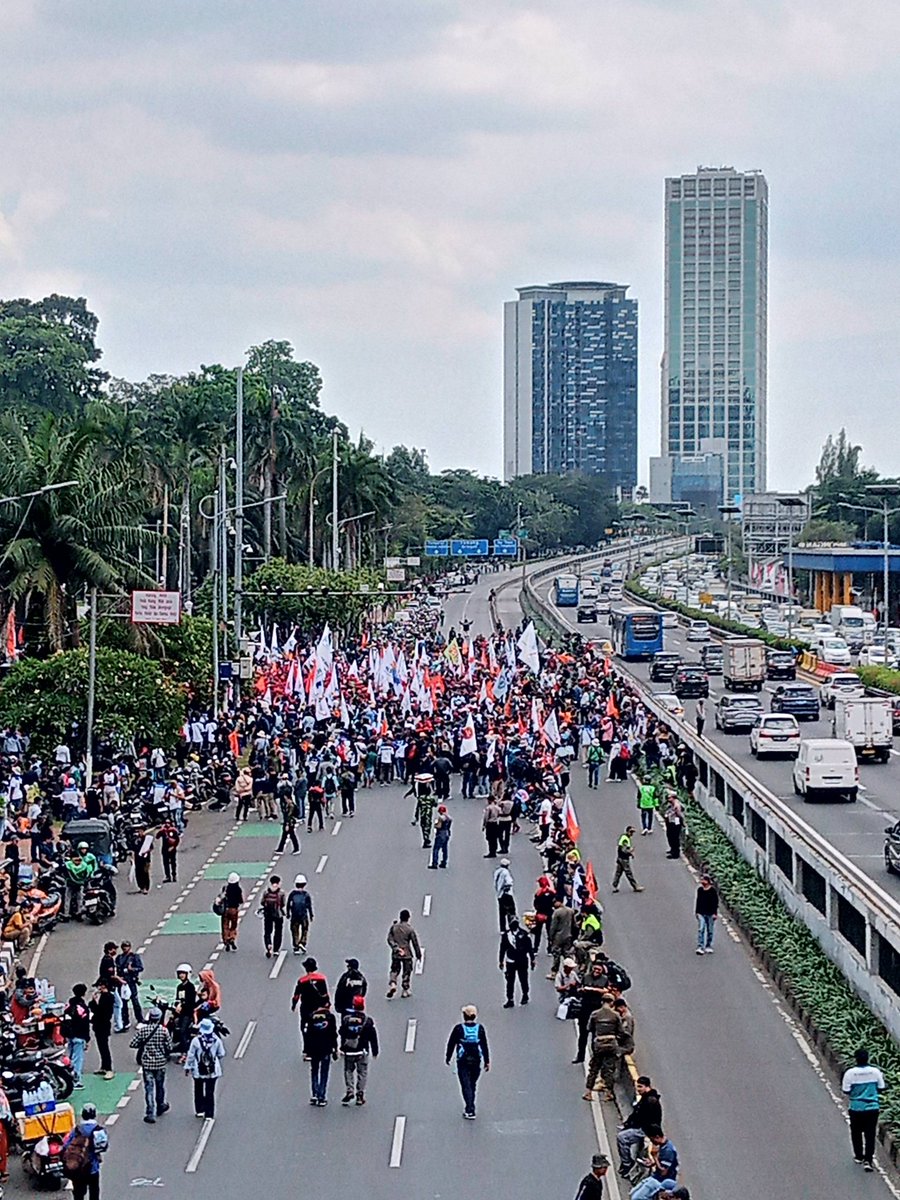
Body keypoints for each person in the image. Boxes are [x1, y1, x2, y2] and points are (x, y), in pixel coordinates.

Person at [841, 1047, 885, 1170]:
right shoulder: (875, 1072)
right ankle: (868, 1160)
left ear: (856, 1059)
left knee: (856, 1132)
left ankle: (859, 1156)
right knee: (870, 1134)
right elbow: (881, 1087)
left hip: (856, 1108)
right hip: (872, 1108)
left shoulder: (850, 1073)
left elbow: (846, 1090)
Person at [445, 1004, 490, 1119]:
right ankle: (470, 1106)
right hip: (476, 1060)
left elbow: (451, 1043)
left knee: (465, 1085)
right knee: (472, 1084)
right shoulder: (480, 1028)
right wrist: (487, 1061)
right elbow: (484, 1045)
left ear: (464, 1016)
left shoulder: (458, 1029)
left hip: (463, 1061)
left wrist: (448, 1057)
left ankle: (470, 1109)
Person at [130, 1007, 172, 1123]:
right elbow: (169, 1047)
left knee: (149, 1088)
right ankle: (160, 1105)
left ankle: (150, 1113)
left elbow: (133, 1044)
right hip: (160, 1063)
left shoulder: (143, 1031)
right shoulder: (163, 1031)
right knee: (160, 1086)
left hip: (147, 1064)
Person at [582, 991, 624, 1102]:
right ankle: (608, 1093)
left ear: (602, 1002)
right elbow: (621, 1031)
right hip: (611, 1044)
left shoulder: (595, 1014)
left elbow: (589, 1028)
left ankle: (588, 1093)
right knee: (608, 1069)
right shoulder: (616, 1015)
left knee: (594, 1068)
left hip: (599, 1044)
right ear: (612, 1002)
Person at [616, 1076, 663, 1176]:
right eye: (637, 1087)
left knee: (622, 1138)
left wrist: (654, 1140)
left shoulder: (651, 1102)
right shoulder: (645, 1098)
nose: (638, 1089)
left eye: (640, 1087)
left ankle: (627, 1163)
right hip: (641, 1127)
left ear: (647, 1087)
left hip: (645, 1130)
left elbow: (655, 1122)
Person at [62, 1102, 109, 1200]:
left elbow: (66, 1145)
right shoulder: (98, 1130)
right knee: (94, 1192)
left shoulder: (77, 1130)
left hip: (78, 1169)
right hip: (93, 1168)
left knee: (78, 1194)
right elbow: (103, 1146)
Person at [340, 995, 379, 1106]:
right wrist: (375, 1051)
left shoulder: (346, 1019)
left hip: (349, 1051)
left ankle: (350, 1090)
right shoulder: (368, 1021)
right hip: (362, 1051)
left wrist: (342, 1047)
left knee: (348, 1070)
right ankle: (360, 1094)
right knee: (362, 1072)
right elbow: (373, 1036)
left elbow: (342, 1033)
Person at [185, 1017, 226, 1118]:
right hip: (212, 1071)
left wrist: (187, 1067)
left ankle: (199, 1110)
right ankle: (209, 1113)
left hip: (198, 1070)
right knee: (210, 1092)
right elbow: (221, 1054)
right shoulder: (216, 1040)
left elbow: (191, 1055)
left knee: (198, 1089)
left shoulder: (195, 1041)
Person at [291, 958, 330, 1048]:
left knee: (304, 1027)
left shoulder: (302, 981)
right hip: (320, 1007)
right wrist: (327, 1004)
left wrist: (293, 1005)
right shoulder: (322, 979)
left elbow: (296, 996)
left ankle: (307, 1048)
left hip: (307, 1007)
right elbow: (325, 994)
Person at [305, 1003, 338, 1106]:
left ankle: (314, 1094)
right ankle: (321, 1096)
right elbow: (333, 1034)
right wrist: (335, 1048)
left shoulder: (311, 1017)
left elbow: (308, 1035)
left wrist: (307, 1050)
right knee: (324, 1073)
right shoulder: (330, 1018)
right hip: (326, 1048)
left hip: (314, 1049)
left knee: (314, 1070)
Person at [498, 916, 535, 1007]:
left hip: (522, 960)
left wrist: (532, 959)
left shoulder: (524, 934)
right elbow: (502, 948)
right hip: (510, 961)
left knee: (523, 979)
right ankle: (510, 999)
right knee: (510, 981)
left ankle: (525, 995)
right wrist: (501, 961)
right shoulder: (506, 935)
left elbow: (529, 948)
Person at [62, 983, 92, 1090]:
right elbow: (85, 1024)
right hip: (80, 1036)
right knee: (77, 1059)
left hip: (69, 1035)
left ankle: (66, 1077)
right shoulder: (83, 1008)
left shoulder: (69, 1005)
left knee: (69, 1058)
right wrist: (87, 1039)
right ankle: (76, 1080)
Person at [386, 909, 422, 999]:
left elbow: (389, 939)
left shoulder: (394, 927)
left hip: (396, 953)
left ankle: (393, 983)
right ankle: (405, 989)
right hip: (407, 954)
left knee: (394, 969)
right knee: (407, 971)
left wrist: (396, 948)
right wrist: (418, 954)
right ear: (408, 918)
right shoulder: (410, 929)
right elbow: (415, 943)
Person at [89, 979, 114, 1080]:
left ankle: (109, 1069)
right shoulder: (102, 996)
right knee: (101, 1046)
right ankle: (104, 1066)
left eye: (100, 986)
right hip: (98, 1025)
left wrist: (94, 1003)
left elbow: (100, 1011)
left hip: (103, 1025)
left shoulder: (108, 997)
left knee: (104, 1047)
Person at [116, 941, 144, 1029]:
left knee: (135, 1001)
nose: (125, 948)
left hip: (131, 982)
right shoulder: (119, 957)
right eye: (123, 946)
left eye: (127, 946)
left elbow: (140, 968)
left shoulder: (134, 957)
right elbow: (117, 969)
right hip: (122, 982)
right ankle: (126, 1021)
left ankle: (140, 1019)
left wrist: (132, 969)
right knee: (123, 1003)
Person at [287, 875, 314, 954]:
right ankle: (302, 942)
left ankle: (296, 945)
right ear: (304, 884)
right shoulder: (306, 894)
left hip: (294, 916)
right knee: (305, 929)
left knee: (294, 930)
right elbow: (309, 906)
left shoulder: (292, 894)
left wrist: (288, 913)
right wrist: (311, 915)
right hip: (303, 915)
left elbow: (288, 904)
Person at [260, 875, 285, 958]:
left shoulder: (266, 892)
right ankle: (276, 950)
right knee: (278, 931)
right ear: (278, 883)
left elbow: (262, 902)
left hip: (268, 914)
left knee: (267, 931)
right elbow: (283, 904)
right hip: (278, 914)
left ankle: (268, 945)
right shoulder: (281, 892)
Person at [612, 826, 643, 893]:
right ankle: (635, 886)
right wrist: (630, 852)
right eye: (631, 832)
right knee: (628, 873)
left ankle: (614, 886)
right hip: (624, 859)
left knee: (618, 873)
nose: (632, 834)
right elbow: (624, 850)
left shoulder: (624, 837)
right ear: (627, 831)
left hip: (620, 858)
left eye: (632, 832)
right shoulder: (625, 839)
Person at [694, 875, 718, 954]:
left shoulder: (712, 891)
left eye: (703, 880)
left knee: (710, 930)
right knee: (701, 929)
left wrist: (715, 913)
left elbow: (715, 903)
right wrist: (697, 912)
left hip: (710, 914)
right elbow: (698, 901)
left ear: (707, 881)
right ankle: (700, 946)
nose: (702, 882)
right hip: (701, 913)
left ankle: (708, 946)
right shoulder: (700, 890)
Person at [220, 871, 243, 951]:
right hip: (234, 909)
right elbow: (241, 900)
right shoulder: (238, 889)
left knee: (225, 925)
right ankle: (232, 938)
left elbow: (221, 898)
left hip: (225, 909)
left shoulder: (225, 888)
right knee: (233, 925)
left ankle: (226, 940)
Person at [493, 858, 516, 932]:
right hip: (506, 895)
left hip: (499, 895)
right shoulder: (506, 872)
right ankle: (512, 926)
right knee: (511, 911)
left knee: (502, 913)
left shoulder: (497, 872)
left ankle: (502, 929)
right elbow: (509, 882)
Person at [156, 817, 180, 883]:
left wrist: (173, 847)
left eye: (168, 823)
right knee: (165, 863)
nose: (167, 824)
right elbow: (157, 837)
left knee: (173, 863)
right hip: (165, 849)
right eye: (166, 823)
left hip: (172, 849)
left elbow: (177, 840)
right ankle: (167, 876)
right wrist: (161, 830)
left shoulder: (173, 830)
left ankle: (174, 875)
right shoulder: (163, 831)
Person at [662, 793, 683, 859]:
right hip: (670, 822)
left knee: (674, 838)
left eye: (669, 798)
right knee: (670, 836)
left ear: (673, 798)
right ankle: (672, 849)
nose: (668, 799)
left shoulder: (677, 805)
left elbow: (680, 815)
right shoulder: (671, 804)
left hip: (675, 823)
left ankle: (675, 853)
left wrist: (683, 823)